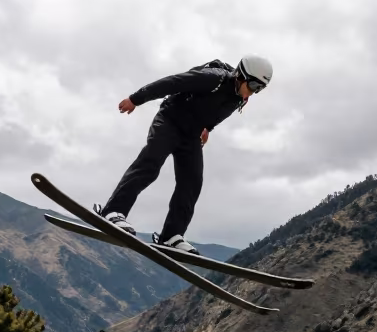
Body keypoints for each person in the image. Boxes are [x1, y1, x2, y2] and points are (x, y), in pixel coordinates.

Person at [96, 55, 273, 253]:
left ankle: (171, 235)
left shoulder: (239, 98)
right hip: (169, 121)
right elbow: (171, 83)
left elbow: (215, 113)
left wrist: (207, 129)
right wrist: (136, 99)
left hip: (191, 135)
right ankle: (113, 212)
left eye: (260, 89)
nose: (254, 92)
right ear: (241, 75)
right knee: (150, 164)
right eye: (254, 85)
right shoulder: (213, 78)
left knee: (192, 182)